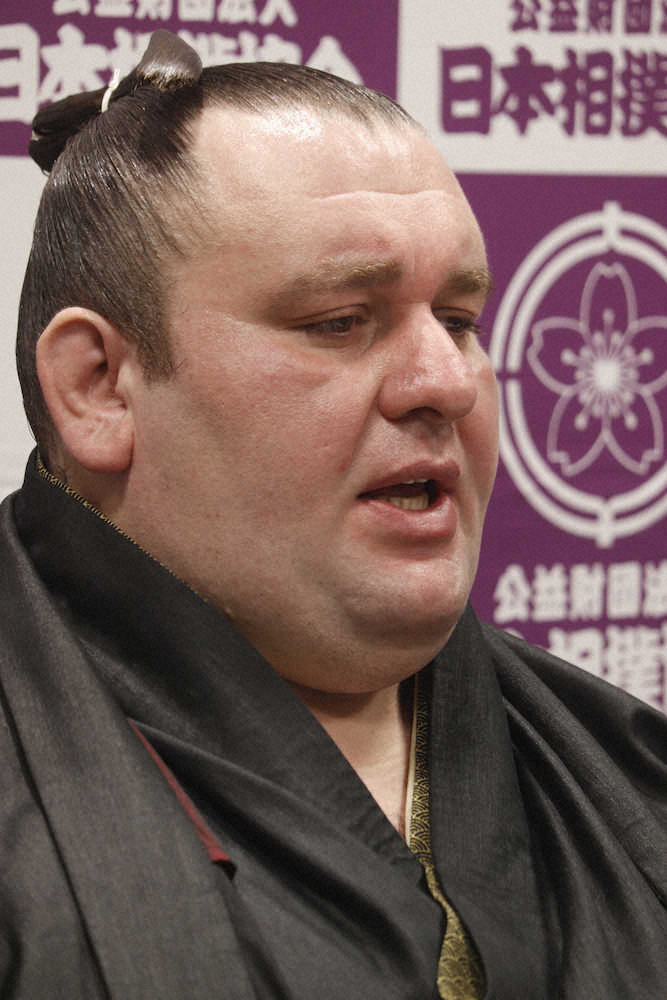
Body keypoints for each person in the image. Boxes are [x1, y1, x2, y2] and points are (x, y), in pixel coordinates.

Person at [2, 29, 666, 1000]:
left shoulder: (626, 767)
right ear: (98, 384)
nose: (446, 382)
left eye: (458, 321)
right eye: (338, 322)